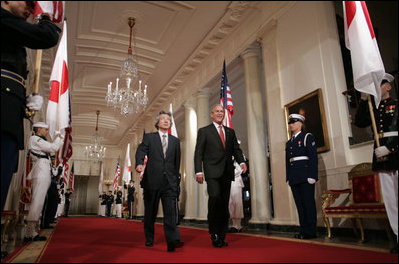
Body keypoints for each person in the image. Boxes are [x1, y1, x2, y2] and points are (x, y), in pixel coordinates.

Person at [1, 1, 61, 216]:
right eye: (26, 2)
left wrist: (23, 101)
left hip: (8, 117)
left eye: (33, 4)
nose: (30, 7)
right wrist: (45, 14)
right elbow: (47, 36)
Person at [354, 73, 398, 254]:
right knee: (390, 201)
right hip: (381, 157)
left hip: (394, 153)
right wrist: (364, 100)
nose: (377, 88)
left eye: (380, 84)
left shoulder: (396, 105)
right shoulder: (374, 108)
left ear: (388, 87)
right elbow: (359, 122)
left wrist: (391, 148)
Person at [194, 104, 247, 248]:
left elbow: (236, 149)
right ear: (211, 114)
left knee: (224, 205)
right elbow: (198, 152)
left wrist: (242, 162)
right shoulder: (204, 131)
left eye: (221, 111)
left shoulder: (230, 132)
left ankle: (222, 235)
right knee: (215, 198)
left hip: (227, 172)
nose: (219, 113)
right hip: (211, 172)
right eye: (216, 111)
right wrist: (198, 171)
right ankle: (214, 232)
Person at [135, 110, 184, 252]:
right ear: (157, 122)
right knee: (150, 213)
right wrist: (139, 163)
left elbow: (176, 162)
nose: (166, 121)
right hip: (152, 181)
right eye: (163, 119)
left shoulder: (175, 141)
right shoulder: (149, 138)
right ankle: (149, 238)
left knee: (170, 213)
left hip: (169, 182)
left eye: (168, 119)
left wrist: (175, 181)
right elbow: (141, 151)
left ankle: (172, 241)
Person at [24, 122, 64, 242]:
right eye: (46, 130)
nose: (47, 132)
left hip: (44, 169)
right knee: (38, 201)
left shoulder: (38, 139)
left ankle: (32, 231)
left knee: (40, 202)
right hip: (41, 170)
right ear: (39, 129)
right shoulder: (35, 139)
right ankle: (30, 232)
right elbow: (53, 148)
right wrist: (59, 137)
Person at [285, 113, 318, 239]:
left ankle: (311, 231)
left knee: (308, 204)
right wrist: (288, 177)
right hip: (294, 177)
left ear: (300, 124)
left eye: (294, 122)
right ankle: (304, 230)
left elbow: (313, 157)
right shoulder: (289, 143)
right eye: (290, 123)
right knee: (299, 205)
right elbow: (288, 161)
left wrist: (312, 175)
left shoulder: (307, 137)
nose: (291, 125)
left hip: (305, 176)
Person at [40, 157, 63, 228]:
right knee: (49, 205)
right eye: (52, 159)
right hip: (49, 186)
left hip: (53, 186)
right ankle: (44, 223)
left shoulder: (52, 166)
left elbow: (55, 174)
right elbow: (54, 174)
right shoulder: (48, 166)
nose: (54, 161)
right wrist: (59, 170)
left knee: (53, 205)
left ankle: (48, 220)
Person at [228, 161, 244, 233]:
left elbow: (240, 169)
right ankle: (234, 225)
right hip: (228, 182)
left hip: (236, 181)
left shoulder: (236, 159)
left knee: (237, 203)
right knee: (230, 203)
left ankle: (238, 225)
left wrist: (228, 173)